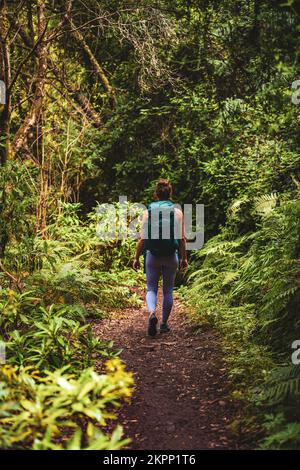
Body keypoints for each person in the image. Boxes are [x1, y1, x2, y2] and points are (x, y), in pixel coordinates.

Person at [133, 179, 188, 336]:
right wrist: (184, 259)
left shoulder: (147, 212)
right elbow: (182, 239)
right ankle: (163, 324)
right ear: (170, 193)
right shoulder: (177, 212)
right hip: (171, 255)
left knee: (151, 288)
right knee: (168, 290)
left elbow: (142, 239)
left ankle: (151, 314)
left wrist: (136, 258)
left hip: (152, 255)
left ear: (156, 194)